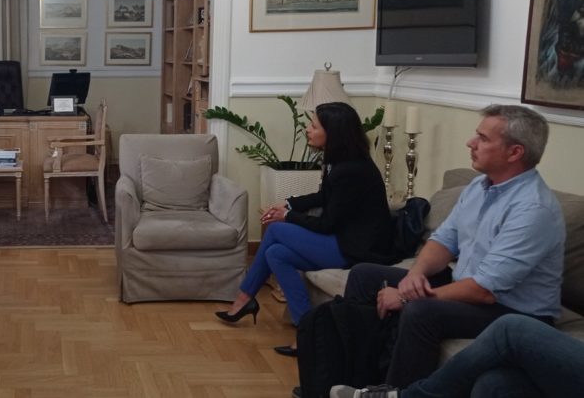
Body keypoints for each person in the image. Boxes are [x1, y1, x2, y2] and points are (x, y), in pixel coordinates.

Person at [341, 104, 565, 388]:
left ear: (514, 152)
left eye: (483, 138)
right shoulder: (479, 186)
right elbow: (443, 241)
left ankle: (397, 393)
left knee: (421, 312)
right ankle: (354, 381)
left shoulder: (533, 209)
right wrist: (414, 276)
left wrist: (407, 298)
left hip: (513, 312)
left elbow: (484, 290)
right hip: (469, 286)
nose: (471, 143)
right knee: (364, 275)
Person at [215, 102, 397, 355]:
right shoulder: (341, 161)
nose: (308, 130)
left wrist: (287, 215)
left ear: (333, 132)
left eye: (314, 126)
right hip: (342, 239)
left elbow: (326, 224)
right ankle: (307, 330)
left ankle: (244, 298)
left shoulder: (351, 170)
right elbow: (324, 197)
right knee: (276, 254)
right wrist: (289, 203)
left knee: (276, 230)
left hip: (355, 249)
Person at [330, 314, 584, 398]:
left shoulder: (535, 210)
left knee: (511, 329)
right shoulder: (476, 204)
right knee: (494, 384)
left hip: (508, 300)